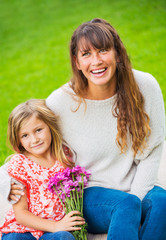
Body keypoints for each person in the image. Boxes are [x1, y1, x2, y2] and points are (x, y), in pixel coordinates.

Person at [0, 18, 166, 239]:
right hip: (89, 194)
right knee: (125, 205)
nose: (96, 61)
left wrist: (135, 200)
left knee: (161, 202)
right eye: (86, 54)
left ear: (117, 53)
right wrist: (5, 185)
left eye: (103, 50)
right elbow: (30, 135)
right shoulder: (62, 102)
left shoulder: (145, 86)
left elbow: (153, 150)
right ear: (77, 62)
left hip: (134, 188)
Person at [0, 99, 85, 240]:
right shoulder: (20, 164)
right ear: (18, 139)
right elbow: (21, 215)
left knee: (65, 237)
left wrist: (58, 227)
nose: (34, 140)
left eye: (38, 130)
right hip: (22, 231)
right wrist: (55, 226)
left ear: (50, 126)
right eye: (25, 135)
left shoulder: (63, 156)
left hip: (51, 233)